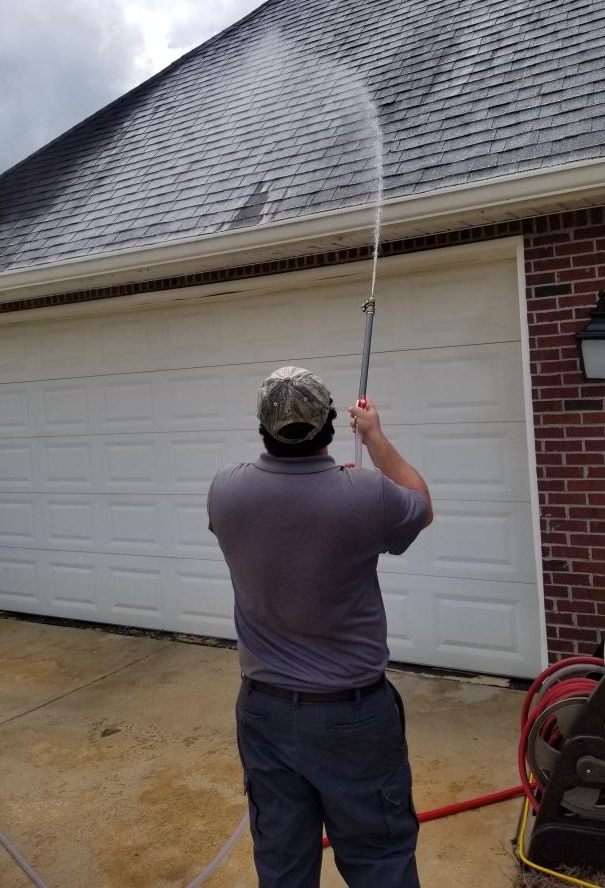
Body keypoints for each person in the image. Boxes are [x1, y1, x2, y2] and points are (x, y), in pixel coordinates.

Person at [207, 365, 433, 888]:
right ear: (330, 422)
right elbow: (420, 507)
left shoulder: (226, 490)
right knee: (380, 862)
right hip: (352, 716)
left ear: (262, 426)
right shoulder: (366, 495)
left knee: (282, 865)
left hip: (264, 712)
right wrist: (374, 438)